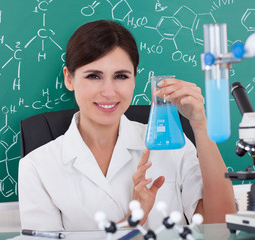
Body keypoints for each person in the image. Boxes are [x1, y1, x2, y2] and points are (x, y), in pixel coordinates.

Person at [18, 19, 236, 231]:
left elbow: (220, 226)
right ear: (69, 79)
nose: (109, 92)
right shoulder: (37, 167)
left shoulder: (171, 145)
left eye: (121, 76)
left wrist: (199, 125)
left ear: (134, 78)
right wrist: (133, 222)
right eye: (94, 76)